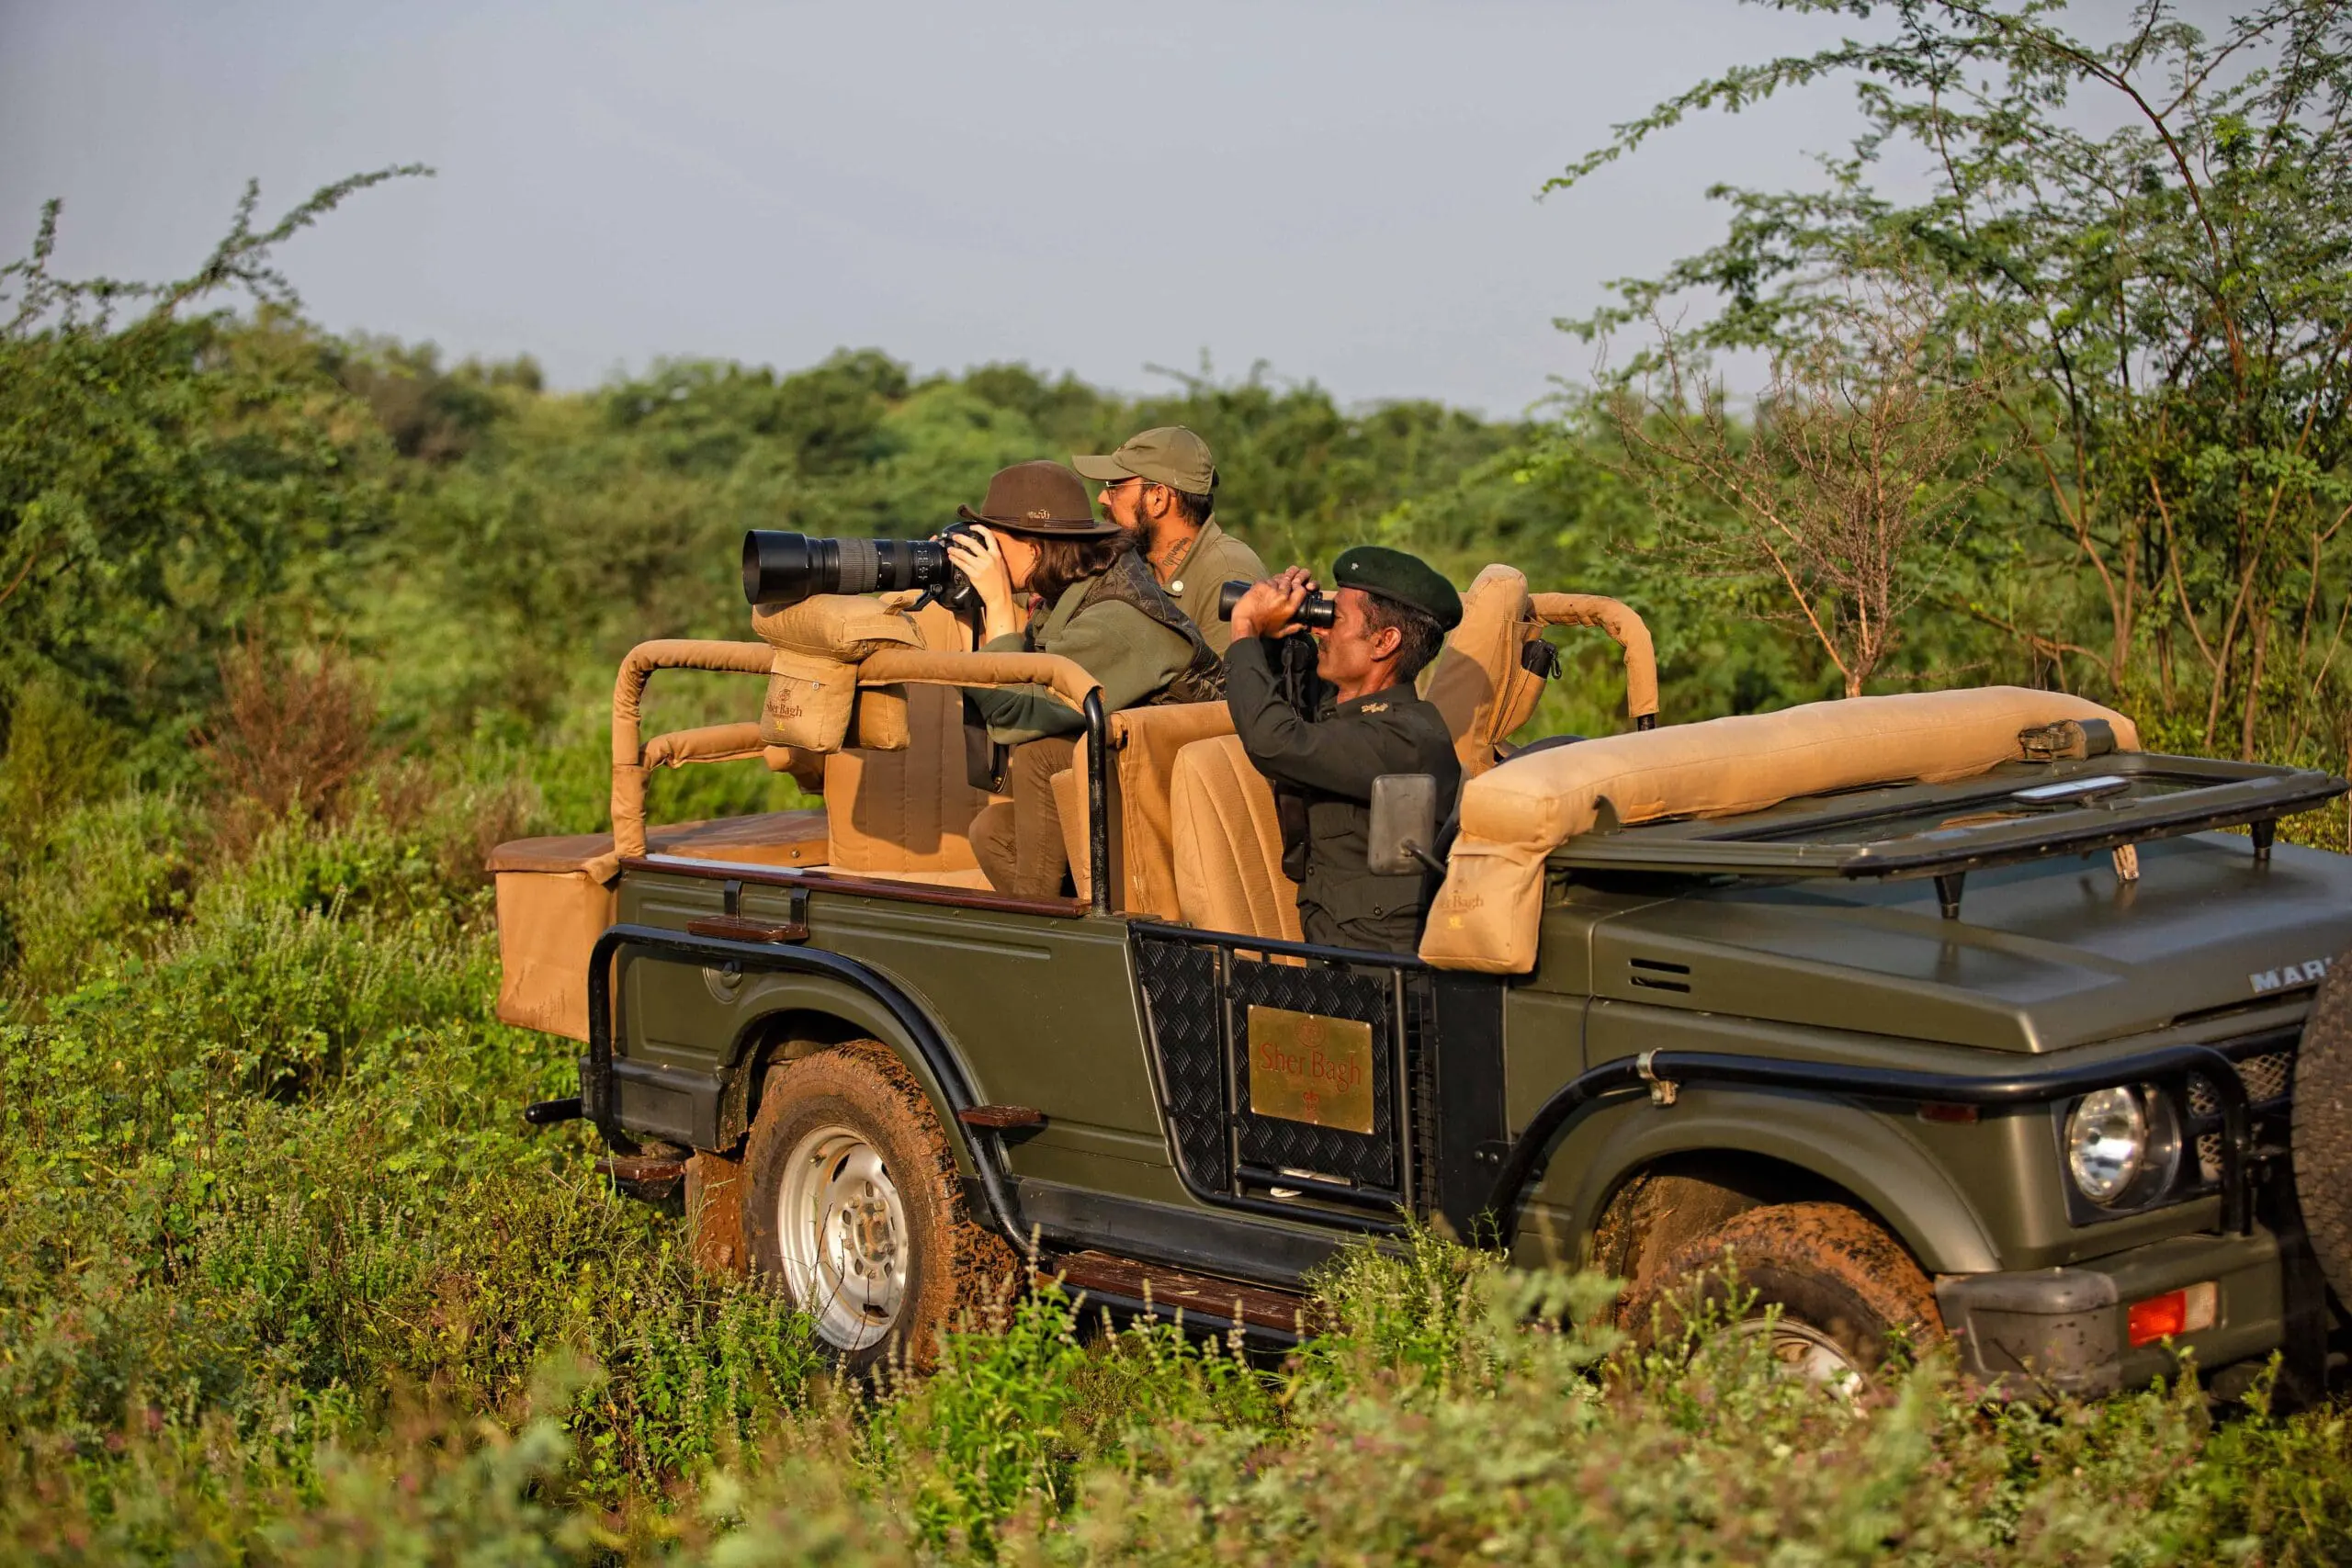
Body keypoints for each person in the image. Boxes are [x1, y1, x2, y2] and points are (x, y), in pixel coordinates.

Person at [946, 460, 1225, 898]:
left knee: (1042, 753)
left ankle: (1036, 936)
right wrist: (968, 611)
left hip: (1179, 810)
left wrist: (999, 603)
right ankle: (1065, 934)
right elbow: (1001, 718)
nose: (987, 557)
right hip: (1131, 783)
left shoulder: (1117, 618)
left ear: (1036, 547)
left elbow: (1016, 720)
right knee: (993, 831)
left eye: (993, 543)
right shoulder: (1066, 601)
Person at [1224, 547, 1463, 953]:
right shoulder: (1352, 715)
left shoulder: (1409, 739)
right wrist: (1277, 637)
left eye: (1335, 620)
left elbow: (1274, 741)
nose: (1322, 629)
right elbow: (1290, 711)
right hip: (1337, 960)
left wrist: (1244, 627)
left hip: (1381, 985)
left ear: (1385, 642)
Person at [1073, 426, 1264, 653]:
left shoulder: (1227, 575)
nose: (1103, 498)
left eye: (1115, 487)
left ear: (1158, 499)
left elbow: (1230, 684)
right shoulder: (1137, 564)